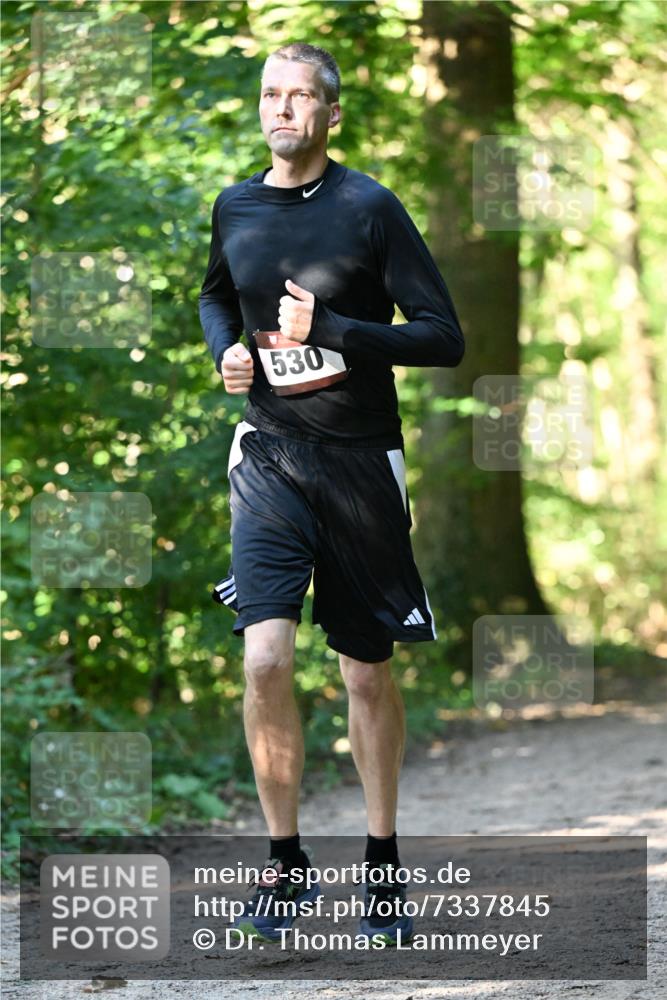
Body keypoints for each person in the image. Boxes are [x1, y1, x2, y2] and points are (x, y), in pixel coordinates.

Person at [198, 41, 464, 945]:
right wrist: (225, 353)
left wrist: (342, 330)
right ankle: (285, 870)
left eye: (300, 96)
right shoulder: (233, 206)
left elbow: (442, 337)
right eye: (271, 94)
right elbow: (212, 298)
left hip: (359, 463)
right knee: (265, 658)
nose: (282, 110)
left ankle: (381, 866)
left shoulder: (369, 207)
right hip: (267, 457)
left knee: (363, 669)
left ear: (328, 112)